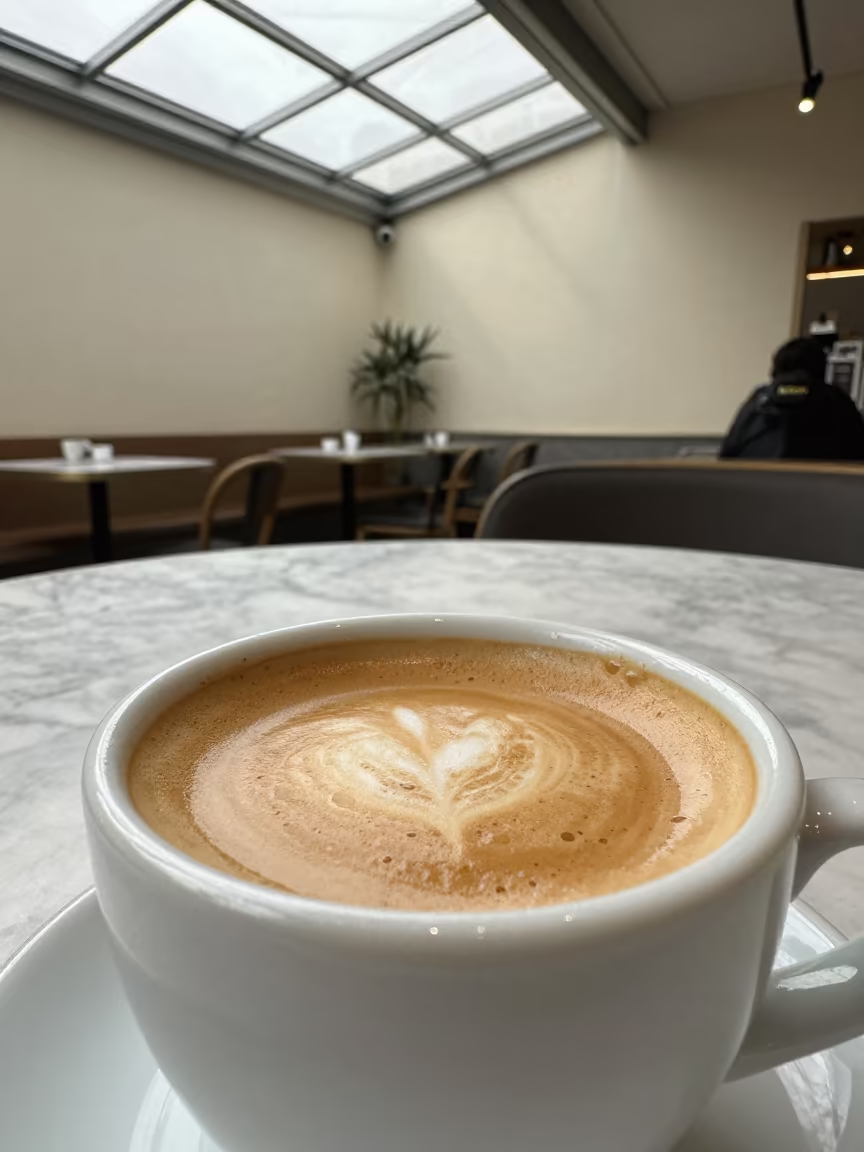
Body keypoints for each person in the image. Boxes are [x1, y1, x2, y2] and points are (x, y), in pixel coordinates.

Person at [720, 337, 864, 461]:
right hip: (824, 484)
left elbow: (727, 453)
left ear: (775, 369)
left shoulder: (759, 399)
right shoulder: (837, 401)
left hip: (751, 483)